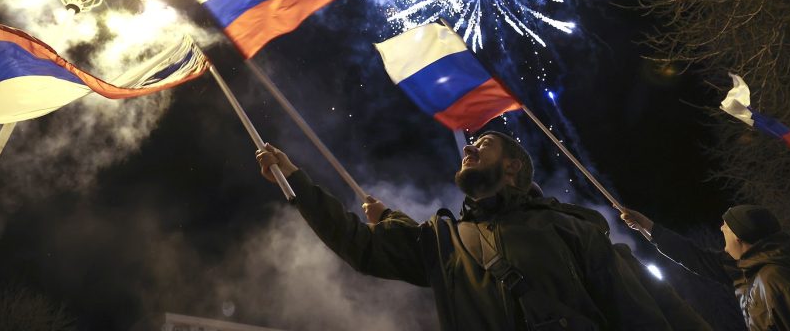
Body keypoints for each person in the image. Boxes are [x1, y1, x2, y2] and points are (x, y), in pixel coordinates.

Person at [257, 132, 676, 330]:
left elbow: (639, 315)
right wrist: (295, 181)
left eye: (485, 143)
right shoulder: (448, 243)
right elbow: (359, 245)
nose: (468, 147)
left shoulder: (569, 227)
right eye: (471, 144)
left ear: (512, 167)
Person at [363, 182, 712, 331]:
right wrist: (390, 218)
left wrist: (390, 219)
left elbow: (655, 311)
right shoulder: (582, 237)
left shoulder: (576, 238)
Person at [620, 205, 790, 330]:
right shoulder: (747, 271)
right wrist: (648, 227)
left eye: (726, 226)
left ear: (739, 235)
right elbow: (695, 258)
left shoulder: (776, 279)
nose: (721, 229)